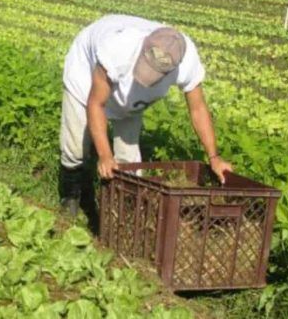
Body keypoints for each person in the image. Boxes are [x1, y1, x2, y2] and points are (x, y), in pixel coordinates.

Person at [59, 14, 233, 218]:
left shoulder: (187, 61)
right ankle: (71, 195)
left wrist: (214, 156)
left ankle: (124, 211)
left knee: (129, 159)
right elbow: (96, 104)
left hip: (133, 101)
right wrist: (105, 156)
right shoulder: (117, 49)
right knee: (75, 148)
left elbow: (198, 109)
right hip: (86, 79)